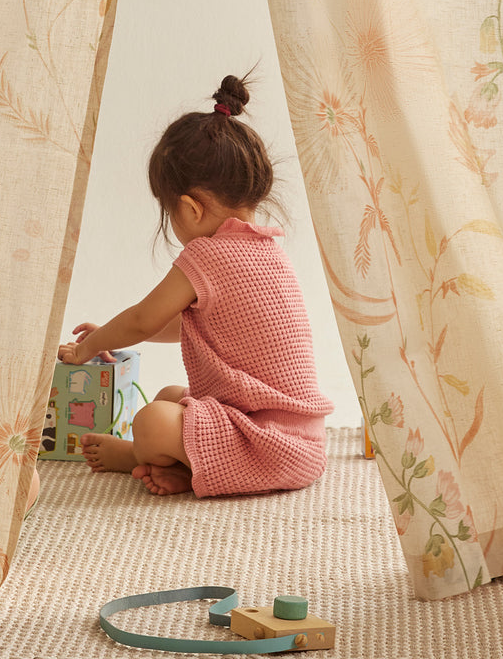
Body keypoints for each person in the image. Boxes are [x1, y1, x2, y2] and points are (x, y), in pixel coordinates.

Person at [56, 74, 333, 497]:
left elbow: (143, 318)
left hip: (270, 445)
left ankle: (133, 455)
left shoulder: (208, 254)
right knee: (170, 396)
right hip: (303, 444)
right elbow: (185, 324)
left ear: (190, 208)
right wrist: (110, 336)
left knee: (152, 420)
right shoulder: (269, 250)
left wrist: (86, 349)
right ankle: (191, 473)